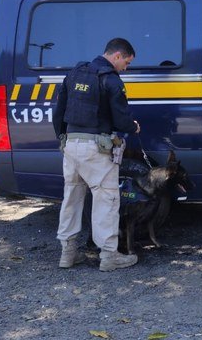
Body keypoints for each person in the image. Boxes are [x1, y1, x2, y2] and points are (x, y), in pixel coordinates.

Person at [53, 38, 141, 271]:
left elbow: (59, 112)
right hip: (97, 149)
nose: (126, 67)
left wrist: (63, 138)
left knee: (71, 197)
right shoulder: (110, 80)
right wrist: (133, 126)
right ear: (117, 56)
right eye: (127, 62)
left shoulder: (75, 73)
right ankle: (109, 256)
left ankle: (68, 253)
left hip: (71, 146)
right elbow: (121, 119)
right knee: (106, 199)